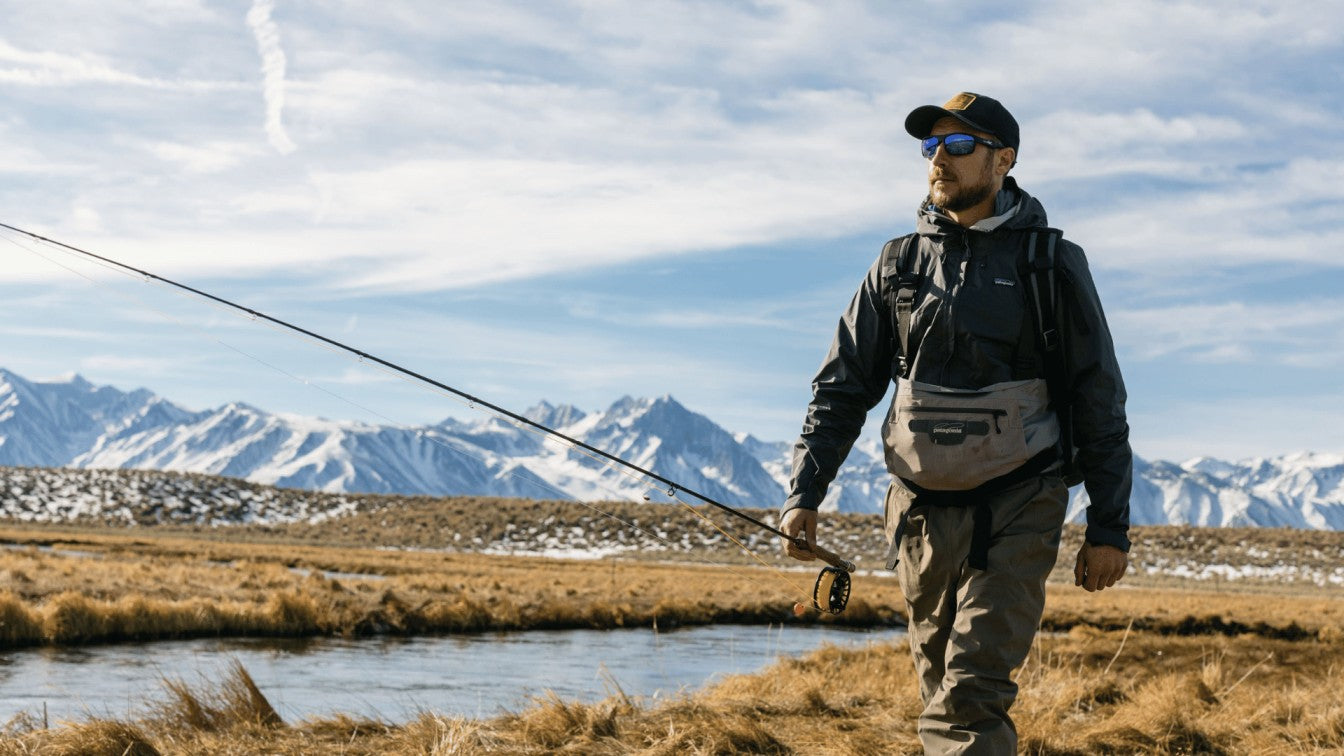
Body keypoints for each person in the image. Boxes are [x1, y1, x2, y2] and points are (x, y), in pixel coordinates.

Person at [780, 92, 1132, 754]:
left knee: (970, 693)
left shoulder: (1050, 264)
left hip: (1021, 501)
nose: (939, 157)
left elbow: (1099, 396)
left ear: (1004, 160)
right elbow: (842, 386)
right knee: (941, 685)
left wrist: (1109, 524)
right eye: (931, 146)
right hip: (916, 512)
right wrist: (805, 492)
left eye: (959, 145)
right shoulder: (897, 263)